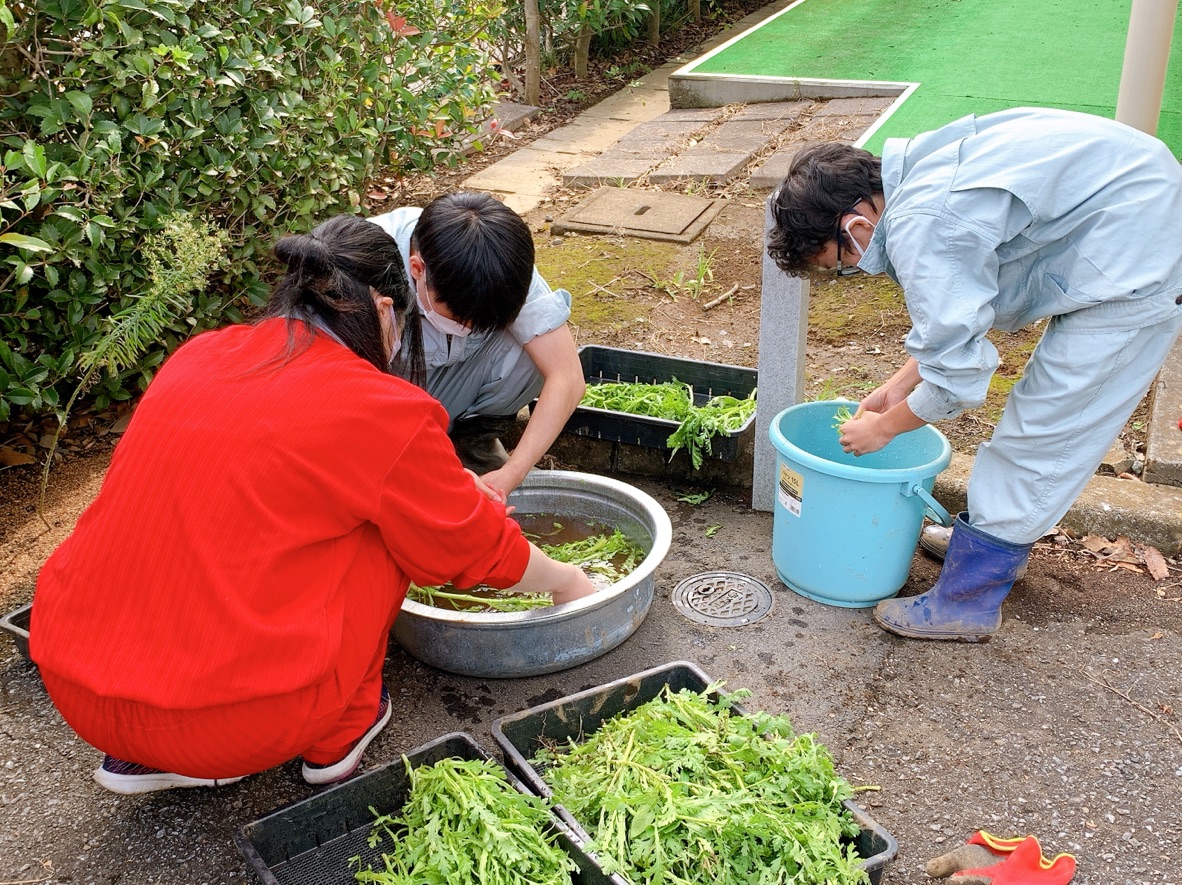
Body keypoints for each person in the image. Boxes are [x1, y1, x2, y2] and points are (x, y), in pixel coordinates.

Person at [30, 215, 597, 795]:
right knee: (391, 531)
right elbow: (470, 545)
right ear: (383, 309)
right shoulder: (379, 410)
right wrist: (566, 580)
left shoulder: (201, 353)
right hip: (228, 721)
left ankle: (142, 754)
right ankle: (339, 734)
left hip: (75, 684)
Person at [768, 107, 1182, 642]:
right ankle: (985, 543)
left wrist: (885, 427)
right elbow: (968, 304)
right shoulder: (920, 170)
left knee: (1045, 431)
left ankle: (967, 600)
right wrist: (899, 384)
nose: (853, 271)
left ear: (857, 225)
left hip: (1139, 261)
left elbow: (959, 383)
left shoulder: (924, 223)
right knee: (1039, 419)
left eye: (840, 263)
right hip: (1126, 217)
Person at [368, 192, 585, 495]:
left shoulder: (498, 258)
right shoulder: (364, 263)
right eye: (461, 318)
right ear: (418, 270)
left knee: (536, 352)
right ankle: (410, 459)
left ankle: (471, 448)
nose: (468, 330)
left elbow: (567, 377)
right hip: (378, 401)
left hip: (445, 389)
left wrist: (513, 472)